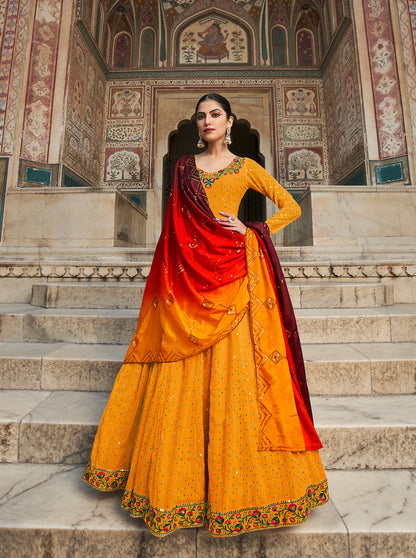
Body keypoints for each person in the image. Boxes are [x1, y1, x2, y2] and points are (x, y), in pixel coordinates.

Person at [83, 93, 329, 537]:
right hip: (188, 279)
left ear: (230, 121)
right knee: (182, 373)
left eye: (215, 114)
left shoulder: (246, 168)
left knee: (235, 378)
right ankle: (179, 484)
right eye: (201, 116)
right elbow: (174, 229)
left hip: (234, 272)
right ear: (195, 125)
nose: (207, 121)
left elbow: (289, 207)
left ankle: (240, 488)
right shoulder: (183, 168)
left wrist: (254, 228)